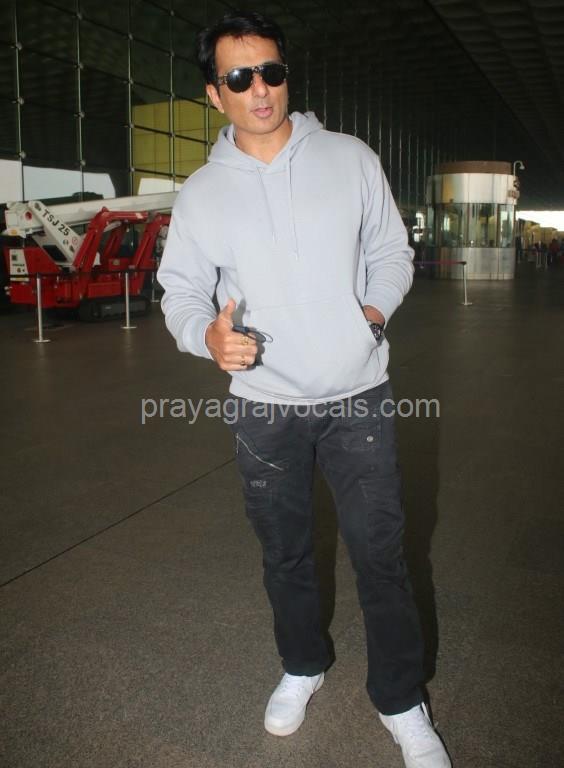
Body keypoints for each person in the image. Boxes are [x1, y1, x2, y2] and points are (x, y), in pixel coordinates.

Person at [157, 11, 451, 768]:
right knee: (284, 551)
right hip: (264, 407)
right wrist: (205, 337)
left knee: (381, 552)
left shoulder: (350, 158)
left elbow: (391, 251)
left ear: (286, 75)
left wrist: (368, 316)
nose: (260, 89)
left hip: (359, 397)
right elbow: (180, 290)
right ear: (214, 93)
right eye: (239, 77)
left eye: (272, 72)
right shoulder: (201, 194)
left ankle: (401, 698)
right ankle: (302, 664)